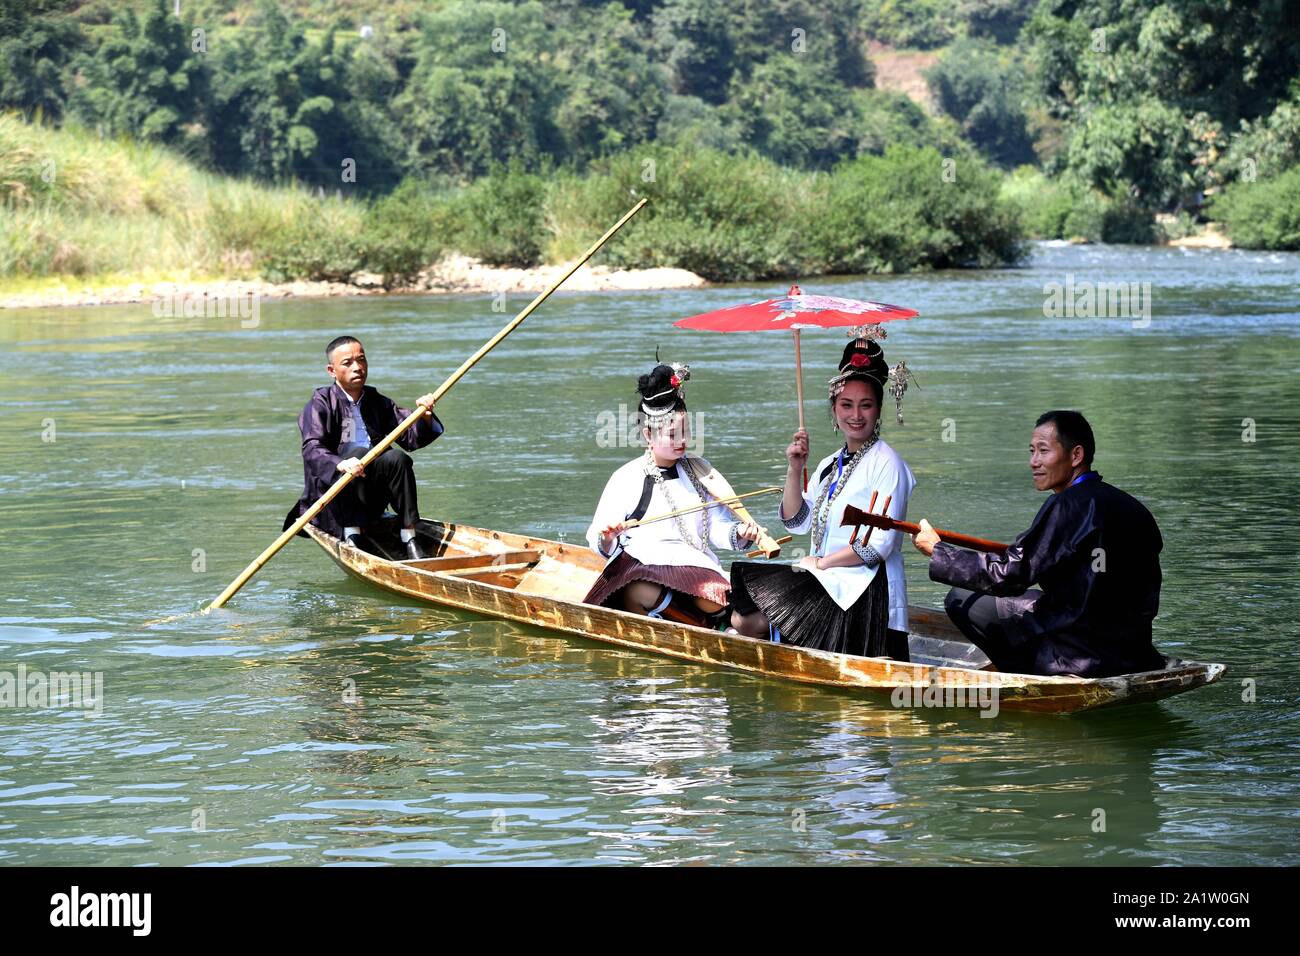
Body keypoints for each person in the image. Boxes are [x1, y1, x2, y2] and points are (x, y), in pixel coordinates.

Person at [912, 410, 1166, 677]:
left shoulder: (1067, 504)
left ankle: (1028, 672)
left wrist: (939, 552)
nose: (1034, 462)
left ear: (1076, 455)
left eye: (1044, 451)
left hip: (1081, 654)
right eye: (1032, 451)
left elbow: (1010, 575)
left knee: (962, 598)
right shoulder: (1132, 506)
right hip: (1134, 652)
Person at [729, 335, 916, 659]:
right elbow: (798, 521)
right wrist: (794, 467)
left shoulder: (888, 464)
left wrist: (821, 563)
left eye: (866, 405)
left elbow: (878, 546)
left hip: (866, 590)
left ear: (879, 408)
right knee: (741, 612)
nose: (855, 415)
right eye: (846, 405)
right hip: (826, 582)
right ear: (834, 409)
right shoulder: (831, 464)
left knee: (745, 620)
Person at [584, 363, 765, 626]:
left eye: (686, 431)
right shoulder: (627, 477)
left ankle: (716, 624)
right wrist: (608, 537)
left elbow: (714, 528)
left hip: (693, 563)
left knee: (711, 595)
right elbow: (598, 538)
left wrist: (740, 533)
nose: (682, 440)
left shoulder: (700, 471)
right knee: (641, 590)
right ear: (648, 434)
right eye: (672, 434)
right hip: (645, 564)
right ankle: (695, 626)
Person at [283, 335, 443, 559]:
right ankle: (352, 533)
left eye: (361, 360)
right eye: (347, 363)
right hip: (338, 497)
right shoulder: (321, 403)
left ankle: (409, 534)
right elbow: (312, 447)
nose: (357, 367)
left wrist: (425, 416)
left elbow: (410, 437)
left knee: (398, 458)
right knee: (356, 453)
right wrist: (340, 464)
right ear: (332, 370)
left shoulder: (378, 401)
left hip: (372, 494)